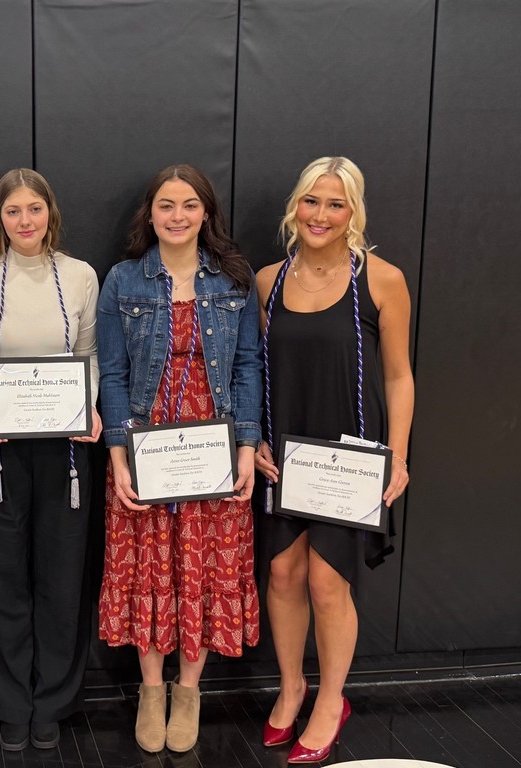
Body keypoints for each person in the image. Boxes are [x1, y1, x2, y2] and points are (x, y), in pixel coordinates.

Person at [97, 165, 262, 753]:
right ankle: (151, 689)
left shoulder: (235, 279)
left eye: (189, 205)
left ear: (206, 213)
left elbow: (247, 366)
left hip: (213, 447)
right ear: (150, 213)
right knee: (149, 564)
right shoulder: (122, 280)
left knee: (202, 565)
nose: (177, 216)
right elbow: (112, 374)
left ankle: (188, 690)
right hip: (146, 445)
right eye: (166, 205)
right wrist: (118, 457)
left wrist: (247, 447)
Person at [254, 156, 414, 763]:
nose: (320, 215)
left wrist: (397, 457)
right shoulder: (268, 281)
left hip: (348, 458)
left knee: (327, 583)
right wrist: (255, 438)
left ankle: (330, 700)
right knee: (282, 574)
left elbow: (398, 376)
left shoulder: (382, 280)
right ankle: (291, 686)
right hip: (286, 451)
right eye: (311, 201)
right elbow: (255, 370)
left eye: (335, 204)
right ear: (296, 206)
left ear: (354, 212)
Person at [0, 169, 101, 751]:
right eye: (13, 211)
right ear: (0, 217)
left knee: (62, 576)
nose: (25, 220)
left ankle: (55, 701)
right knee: (3, 575)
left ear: (50, 213)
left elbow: (89, 353)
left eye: (34, 209)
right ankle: (10, 700)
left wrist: (89, 405)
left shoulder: (81, 275)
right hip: (1, 451)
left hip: (67, 450)